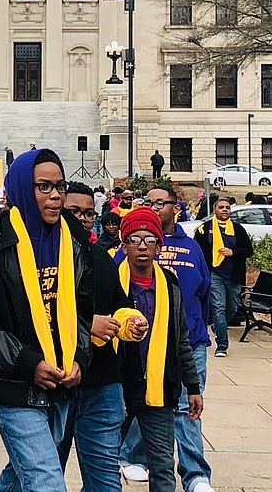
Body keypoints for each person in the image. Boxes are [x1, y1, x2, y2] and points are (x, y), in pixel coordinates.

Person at [0, 148, 93, 491]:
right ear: (20, 189)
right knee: (46, 482)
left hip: (61, 381)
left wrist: (80, 358)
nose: (56, 195)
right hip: (14, 385)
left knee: (20, 477)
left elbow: (82, 312)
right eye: (43, 186)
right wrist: (27, 362)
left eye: (59, 186)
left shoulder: (72, 241)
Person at [121, 186, 215, 492]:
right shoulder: (112, 280)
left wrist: (193, 387)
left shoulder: (169, 284)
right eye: (135, 240)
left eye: (150, 240)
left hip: (160, 387)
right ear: (124, 246)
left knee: (162, 468)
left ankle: (195, 476)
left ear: (159, 247)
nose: (143, 246)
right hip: (117, 387)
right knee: (104, 463)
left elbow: (181, 340)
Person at [58, 181, 148, 491]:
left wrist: (130, 324)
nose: (82, 218)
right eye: (74, 211)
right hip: (55, 383)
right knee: (39, 477)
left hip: (102, 383)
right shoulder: (38, 256)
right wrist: (87, 325)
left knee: (105, 484)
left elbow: (120, 306)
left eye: (88, 213)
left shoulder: (101, 257)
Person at [194, 197, 253, 357]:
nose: (225, 210)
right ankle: (222, 345)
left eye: (227, 207)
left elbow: (248, 250)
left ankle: (218, 326)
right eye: (221, 207)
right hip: (214, 274)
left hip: (233, 275)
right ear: (215, 210)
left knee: (232, 307)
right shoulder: (205, 229)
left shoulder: (237, 229)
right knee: (218, 308)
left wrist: (233, 252)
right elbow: (196, 251)